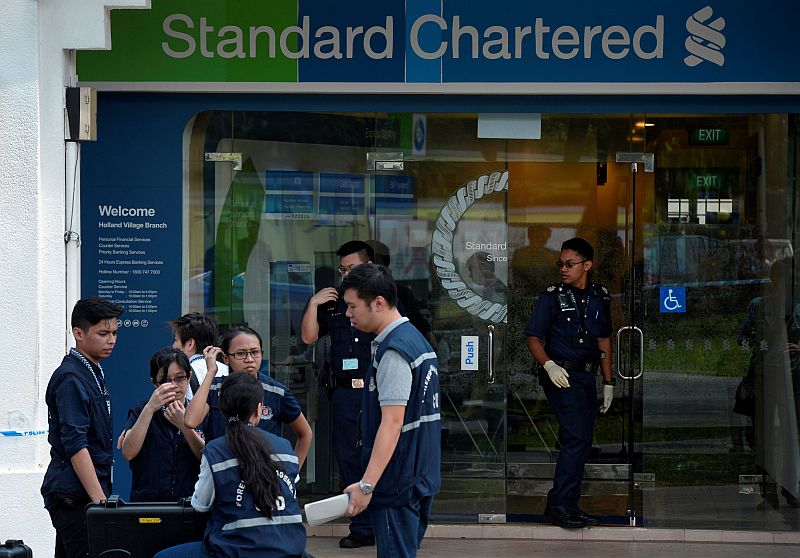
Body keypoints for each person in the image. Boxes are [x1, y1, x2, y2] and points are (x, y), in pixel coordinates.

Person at [340, 264, 441, 558]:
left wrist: (366, 485)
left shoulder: (396, 351)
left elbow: (392, 424)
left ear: (379, 303)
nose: (348, 314)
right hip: (420, 472)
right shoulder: (416, 341)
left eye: (352, 306)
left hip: (398, 479)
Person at [154, 372, 307, 558]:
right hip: (291, 550)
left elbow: (200, 505)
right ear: (259, 410)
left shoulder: (215, 451)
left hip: (235, 551)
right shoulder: (285, 448)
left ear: (222, 410)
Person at [524, 237, 614, 529]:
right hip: (561, 375)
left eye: (570, 264)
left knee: (582, 441)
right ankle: (560, 504)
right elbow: (533, 337)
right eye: (560, 264)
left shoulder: (600, 295)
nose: (563, 269)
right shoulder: (551, 296)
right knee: (576, 438)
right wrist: (548, 364)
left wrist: (609, 381)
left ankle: (567, 504)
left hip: (586, 375)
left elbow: (603, 340)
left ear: (587, 265)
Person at [300, 240, 376, 548]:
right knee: (348, 457)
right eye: (342, 270)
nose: (346, 275)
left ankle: (384, 523)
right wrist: (314, 304)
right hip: (344, 392)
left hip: (376, 392)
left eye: (352, 269)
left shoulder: (383, 300)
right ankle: (361, 527)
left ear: (368, 267)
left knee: (377, 454)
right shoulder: (334, 303)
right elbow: (308, 336)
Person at [41, 296, 123, 558]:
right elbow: (76, 444)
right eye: (103, 333)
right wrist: (100, 504)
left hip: (81, 494)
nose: (111, 340)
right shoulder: (70, 377)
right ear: (78, 333)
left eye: (114, 332)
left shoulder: (92, 369)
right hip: (74, 496)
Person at [184, 326, 312, 468]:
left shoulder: (277, 392)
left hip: (263, 478)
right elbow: (190, 421)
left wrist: (291, 475)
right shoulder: (214, 388)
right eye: (241, 354)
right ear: (226, 358)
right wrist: (211, 373)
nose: (249, 359)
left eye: (255, 352)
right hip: (224, 477)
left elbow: (305, 433)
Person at [121, 347, 206, 502]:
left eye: (180, 378)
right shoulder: (141, 410)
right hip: (147, 507)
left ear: (189, 377)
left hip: (190, 505)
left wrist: (185, 426)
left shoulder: (199, 412)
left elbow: (208, 459)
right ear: (154, 383)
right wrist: (150, 409)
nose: (173, 385)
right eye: (166, 381)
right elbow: (128, 452)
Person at [171, 312, 230, 396]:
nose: (173, 346)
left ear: (190, 344)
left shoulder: (183, 375)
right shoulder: (228, 370)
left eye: (176, 340)